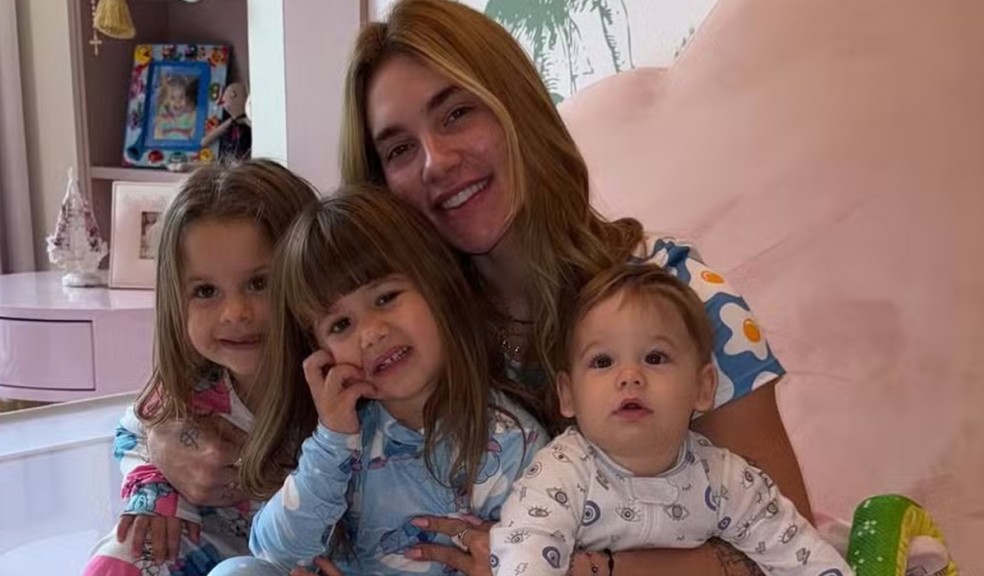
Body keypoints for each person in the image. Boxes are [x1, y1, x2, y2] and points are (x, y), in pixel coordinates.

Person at [148, 1, 810, 574]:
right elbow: (220, 390)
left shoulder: (677, 296)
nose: (437, 161)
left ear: (517, 108)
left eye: (457, 113)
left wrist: (579, 570)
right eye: (399, 149)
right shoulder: (405, 321)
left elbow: (786, 548)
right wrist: (156, 457)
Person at [207, 187, 548, 575]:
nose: (370, 333)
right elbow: (273, 553)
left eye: (385, 298)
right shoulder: (341, 437)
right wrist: (332, 442)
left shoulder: (516, 443)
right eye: (341, 325)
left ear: (439, 287)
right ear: (321, 355)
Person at [490, 263, 852, 576]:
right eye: (603, 362)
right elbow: (525, 550)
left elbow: (799, 553)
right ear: (568, 395)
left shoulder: (725, 480)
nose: (629, 376)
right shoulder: (562, 475)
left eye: (655, 358)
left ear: (702, 387)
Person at [82, 160, 319, 575]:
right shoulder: (191, 386)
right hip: (208, 543)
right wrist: (155, 486)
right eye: (206, 290)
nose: (235, 312)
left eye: (259, 283)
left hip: (303, 559)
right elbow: (132, 433)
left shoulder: (338, 391)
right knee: (122, 553)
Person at [153, 73, 198, 141]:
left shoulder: (189, 117)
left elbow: (195, 132)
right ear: (167, 101)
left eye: (181, 97)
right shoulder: (163, 117)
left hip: (184, 146)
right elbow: (157, 133)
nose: (177, 102)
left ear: (186, 99)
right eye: (173, 98)